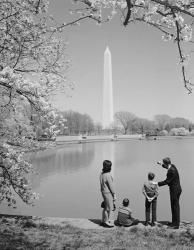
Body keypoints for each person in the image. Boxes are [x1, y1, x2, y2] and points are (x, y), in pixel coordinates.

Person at [157, 157, 182, 229]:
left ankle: (176, 225)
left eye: (163, 163)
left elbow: (167, 181)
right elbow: (166, 166)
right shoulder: (172, 166)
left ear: (166, 163)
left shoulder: (171, 171)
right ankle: (174, 222)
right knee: (174, 206)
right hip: (177, 189)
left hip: (175, 190)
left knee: (175, 207)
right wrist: (160, 164)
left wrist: (157, 183)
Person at [100, 160, 116, 227]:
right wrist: (114, 195)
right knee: (108, 208)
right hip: (107, 193)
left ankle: (103, 220)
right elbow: (111, 186)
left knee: (105, 207)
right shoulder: (108, 175)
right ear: (109, 167)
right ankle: (106, 222)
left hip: (103, 192)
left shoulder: (102, 174)